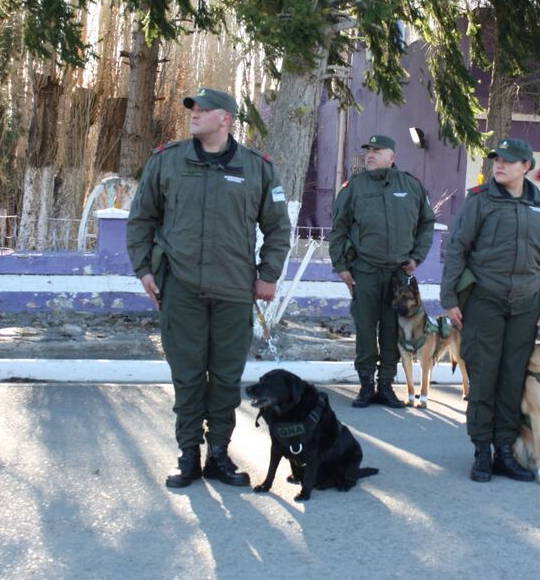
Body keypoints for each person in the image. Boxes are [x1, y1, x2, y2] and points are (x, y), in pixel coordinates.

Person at [126, 88, 291, 489]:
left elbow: (278, 228)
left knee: (225, 377)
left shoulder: (257, 168)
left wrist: (268, 275)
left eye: (203, 109)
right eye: (192, 109)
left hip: (235, 291)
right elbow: (141, 218)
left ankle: (219, 453)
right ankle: (188, 456)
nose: (194, 114)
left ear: (226, 119)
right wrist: (144, 269)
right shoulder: (168, 161)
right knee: (186, 375)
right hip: (180, 288)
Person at [440, 138, 540, 482]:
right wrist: (449, 299)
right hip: (484, 301)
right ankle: (481, 451)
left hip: (525, 305)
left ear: (526, 166)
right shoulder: (480, 201)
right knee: (483, 376)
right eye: (496, 160)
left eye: (508, 161)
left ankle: (504, 450)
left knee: (511, 380)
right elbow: (457, 248)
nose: (499, 165)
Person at [329, 134, 437, 408]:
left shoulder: (410, 186)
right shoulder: (355, 187)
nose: (370, 155)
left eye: (377, 151)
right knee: (366, 327)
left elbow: (426, 223)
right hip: (364, 270)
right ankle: (366, 385)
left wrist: (417, 257)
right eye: (368, 151)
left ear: (392, 156)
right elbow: (338, 228)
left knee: (391, 329)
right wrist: (341, 266)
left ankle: (386, 385)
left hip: (398, 274)